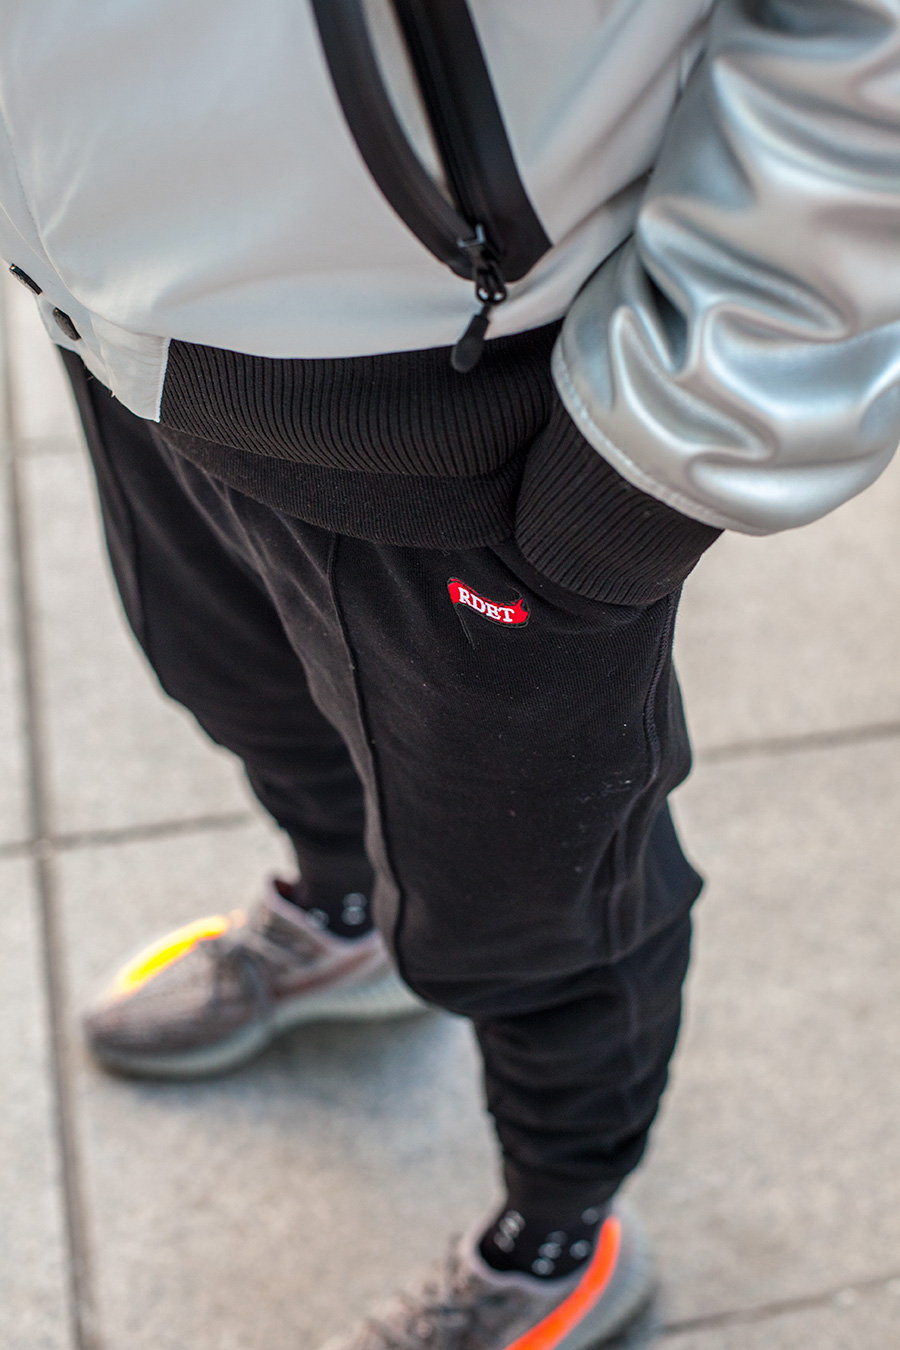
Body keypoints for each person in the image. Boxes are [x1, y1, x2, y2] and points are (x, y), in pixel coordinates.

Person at [4, 2, 899, 1346]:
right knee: (237, 681)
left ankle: (559, 1233)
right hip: (118, 301)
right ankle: (344, 916)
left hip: (453, 387)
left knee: (536, 905)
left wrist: (657, 467)